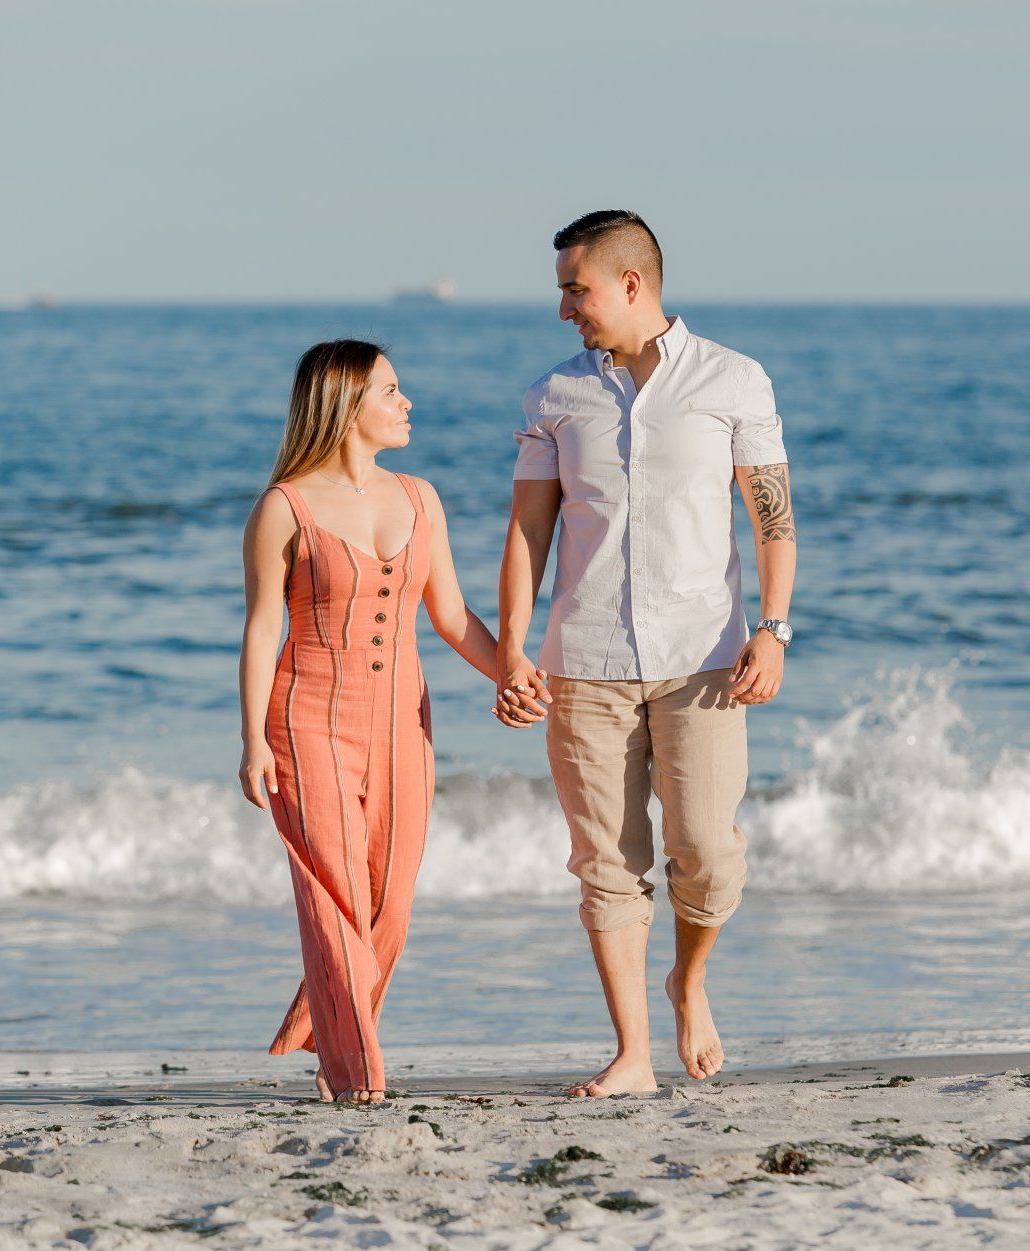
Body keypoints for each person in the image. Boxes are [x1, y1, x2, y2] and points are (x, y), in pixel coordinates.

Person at [496, 211, 799, 1098]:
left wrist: (773, 631)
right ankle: (631, 1054)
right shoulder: (556, 395)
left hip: (704, 659)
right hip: (583, 661)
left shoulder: (734, 382)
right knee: (607, 864)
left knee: (706, 849)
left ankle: (689, 977)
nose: (564, 309)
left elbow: (773, 519)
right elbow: (527, 533)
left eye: (575, 289)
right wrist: (513, 649)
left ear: (632, 285)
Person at [238, 339, 543, 1105]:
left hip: (404, 723)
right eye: (391, 390)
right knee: (334, 894)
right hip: (306, 720)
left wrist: (515, 670)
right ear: (344, 407)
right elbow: (259, 627)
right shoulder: (284, 507)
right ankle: (355, 1072)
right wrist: (250, 742)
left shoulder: (420, 497)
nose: (407, 402)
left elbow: (449, 616)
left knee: (389, 906)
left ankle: (326, 1023)